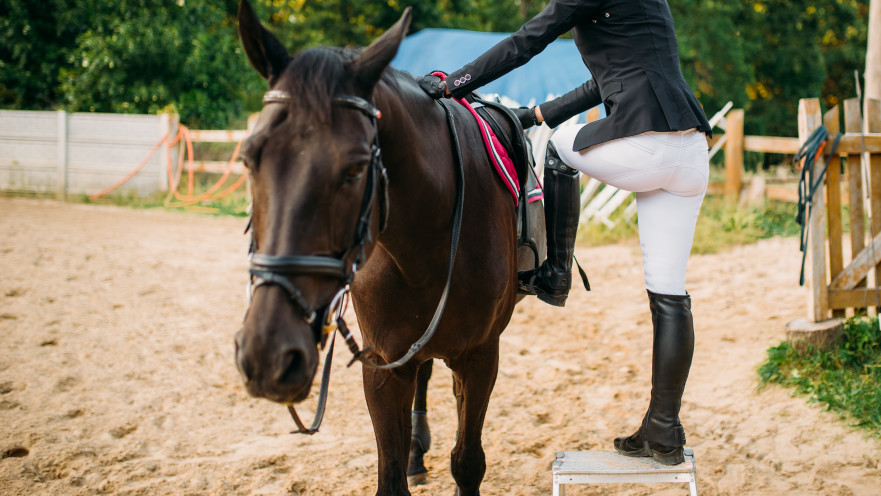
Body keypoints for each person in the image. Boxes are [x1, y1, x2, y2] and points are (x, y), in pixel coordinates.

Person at [418, 0, 711, 466]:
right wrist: (536, 114)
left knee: (559, 148)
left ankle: (555, 272)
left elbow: (524, 43)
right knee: (669, 293)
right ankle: (664, 427)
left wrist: (452, 84)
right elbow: (609, 80)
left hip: (645, 141)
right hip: (691, 150)